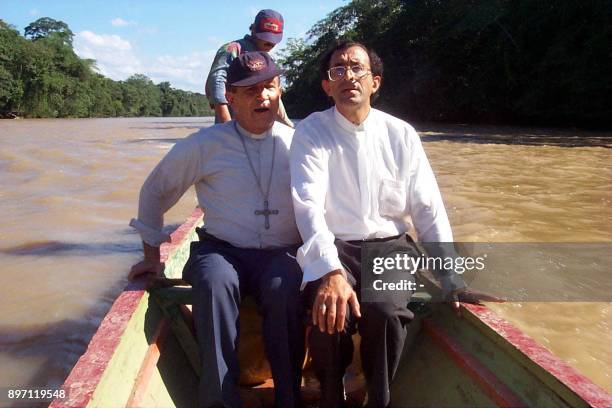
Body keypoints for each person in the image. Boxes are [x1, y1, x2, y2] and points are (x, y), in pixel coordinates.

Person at [290, 40, 496, 407]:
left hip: (392, 245)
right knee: (329, 314)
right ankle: (330, 396)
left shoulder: (401, 134)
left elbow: (427, 208)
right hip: (334, 246)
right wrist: (330, 272)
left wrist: (450, 276)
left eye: (357, 68)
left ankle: (378, 400)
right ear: (326, 85)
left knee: (385, 312)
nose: (347, 76)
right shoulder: (311, 132)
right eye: (337, 70)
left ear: (375, 82)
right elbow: (308, 206)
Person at [130, 51, 304, 408]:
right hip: (222, 250)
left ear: (280, 90)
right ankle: (220, 401)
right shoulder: (205, 145)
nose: (264, 97)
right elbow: (154, 191)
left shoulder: (299, 143)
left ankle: (290, 399)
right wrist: (152, 257)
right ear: (231, 98)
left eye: (270, 87)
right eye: (250, 90)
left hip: (282, 253)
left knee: (285, 285)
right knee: (214, 283)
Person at [205, 9, 294, 127]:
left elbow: (275, 99)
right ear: (253, 30)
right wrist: (225, 122)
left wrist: (288, 127)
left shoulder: (267, 59)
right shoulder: (233, 49)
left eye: (273, 39)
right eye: (265, 37)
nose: (269, 42)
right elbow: (216, 80)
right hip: (233, 124)